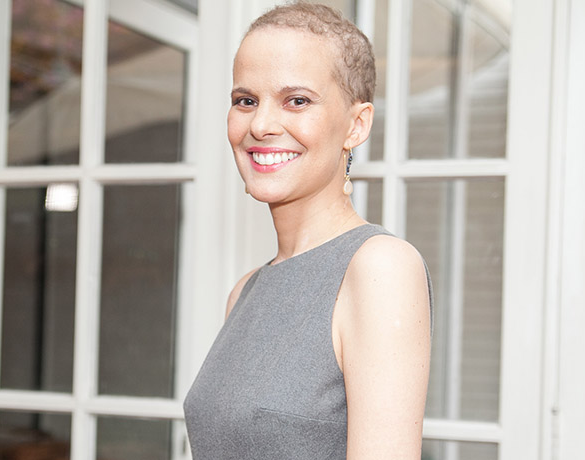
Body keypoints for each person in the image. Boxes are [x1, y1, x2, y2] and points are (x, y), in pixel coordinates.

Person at [183, 3, 432, 459]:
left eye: (296, 100)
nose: (261, 125)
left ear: (356, 125)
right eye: (246, 100)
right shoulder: (244, 292)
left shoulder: (380, 268)